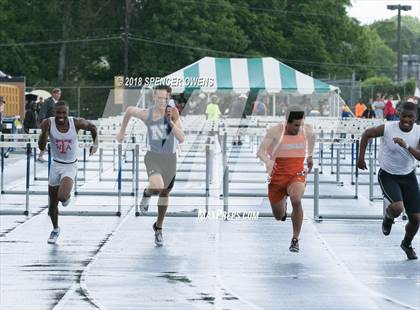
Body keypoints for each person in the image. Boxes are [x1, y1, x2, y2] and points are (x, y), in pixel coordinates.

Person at [116, 85, 184, 246]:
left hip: (170, 159)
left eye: (165, 98)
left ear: (169, 99)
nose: (162, 101)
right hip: (153, 157)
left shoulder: (173, 113)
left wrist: (170, 123)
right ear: (154, 97)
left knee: (164, 194)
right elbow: (130, 110)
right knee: (157, 187)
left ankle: (158, 227)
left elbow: (181, 138)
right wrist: (122, 131)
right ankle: (147, 193)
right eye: (159, 98)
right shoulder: (147, 114)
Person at [357, 101, 420, 260]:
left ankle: (406, 243)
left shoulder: (418, 132)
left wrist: (406, 146)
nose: (406, 120)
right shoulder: (388, 128)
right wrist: (361, 158)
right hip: (388, 174)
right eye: (404, 116)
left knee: (416, 219)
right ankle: (388, 217)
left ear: (415, 117)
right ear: (399, 114)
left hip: (408, 175)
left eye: (410, 117)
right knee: (398, 208)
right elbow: (366, 134)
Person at [257, 106, 315, 253]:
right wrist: (268, 161)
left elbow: (312, 138)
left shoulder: (306, 129)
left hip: (296, 174)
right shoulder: (276, 131)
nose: (298, 128)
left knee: (296, 198)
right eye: (295, 125)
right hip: (277, 177)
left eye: (300, 125)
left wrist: (310, 156)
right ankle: (283, 207)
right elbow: (261, 151)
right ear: (287, 123)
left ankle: (295, 239)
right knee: (278, 216)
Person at [38, 100, 97, 244]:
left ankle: (66, 195)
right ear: (54, 113)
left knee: (62, 197)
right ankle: (55, 229)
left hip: (70, 166)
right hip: (55, 165)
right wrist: (45, 133)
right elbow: (41, 147)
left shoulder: (76, 123)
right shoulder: (48, 123)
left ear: (68, 113)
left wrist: (95, 143)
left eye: (64, 113)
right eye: (58, 113)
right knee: (52, 204)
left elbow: (92, 127)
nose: (61, 116)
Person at [38, 88, 61, 162]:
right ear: (53, 94)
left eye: (60, 94)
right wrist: (42, 121)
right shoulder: (48, 101)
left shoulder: (58, 102)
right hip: (48, 123)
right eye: (57, 94)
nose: (59, 95)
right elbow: (43, 112)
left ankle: (57, 156)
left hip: (56, 123)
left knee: (57, 139)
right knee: (44, 139)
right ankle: (40, 156)